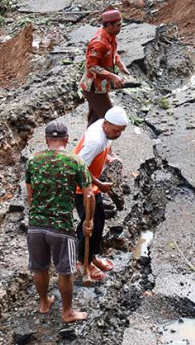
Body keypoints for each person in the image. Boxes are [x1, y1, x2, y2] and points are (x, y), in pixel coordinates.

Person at [26, 120, 91, 323]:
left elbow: (30, 196)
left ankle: (44, 303)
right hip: (61, 227)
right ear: (67, 139)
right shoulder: (76, 162)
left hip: (36, 226)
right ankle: (67, 312)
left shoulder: (32, 161)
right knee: (65, 271)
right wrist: (88, 220)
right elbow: (88, 196)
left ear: (46, 140)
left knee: (40, 267)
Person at [72, 106, 129, 282]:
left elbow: (108, 145)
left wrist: (111, 157)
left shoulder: (105, 130)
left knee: (100, 220)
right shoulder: (95, 141)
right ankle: (83, 261)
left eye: (121, 132)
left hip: (91, 184)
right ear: (106, 124)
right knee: (88, 223)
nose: (118, 134)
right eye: (116, 131)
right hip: (80, 187)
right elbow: (78, 168)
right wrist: (100, 184)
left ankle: (93, 255)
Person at [79, 9, 130, 124]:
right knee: (109, 117)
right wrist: (112, 77)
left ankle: (90, 139)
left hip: (100, 85)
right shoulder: (99, 42)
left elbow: (112, 53)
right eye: (118, 25)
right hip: (93, 87)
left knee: (95, 118)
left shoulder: (110, 35)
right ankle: (103, 139)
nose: (120, 28)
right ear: (108, 25)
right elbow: (91, 65)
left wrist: (120, 65)